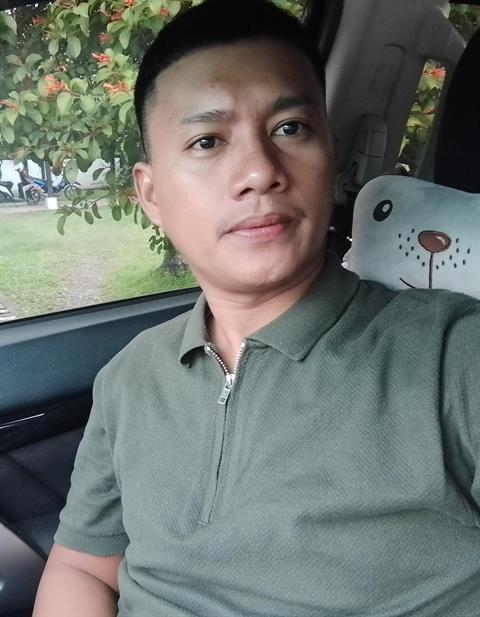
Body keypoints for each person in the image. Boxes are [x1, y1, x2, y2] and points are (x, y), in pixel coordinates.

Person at [33, 1, 480, 615]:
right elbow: (84, 565)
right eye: (208, 140)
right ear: (151, 195)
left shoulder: (455, 357)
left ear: (331, 155)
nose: (260, 172)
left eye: (290, 129)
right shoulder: (129, 378)